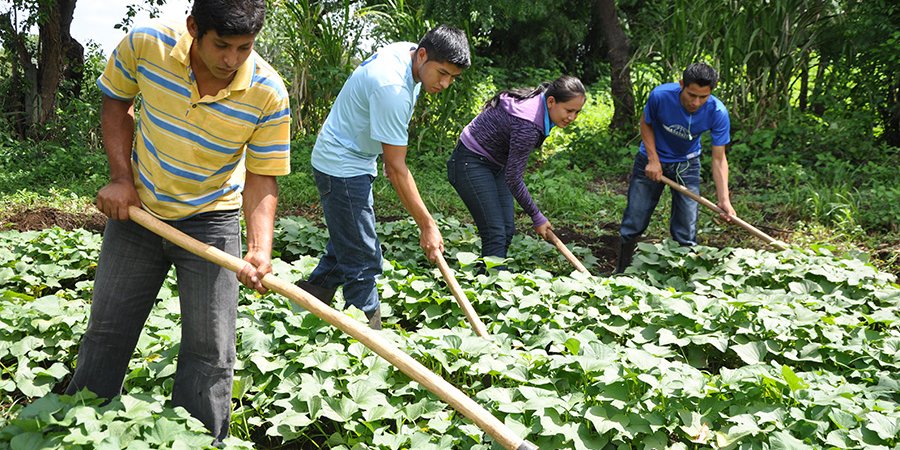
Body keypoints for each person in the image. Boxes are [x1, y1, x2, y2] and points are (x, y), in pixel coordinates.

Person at [65, 0, 290, 442]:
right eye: (221, 45)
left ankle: (200, 438)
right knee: (108, 329)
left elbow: (262, 175)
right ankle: (78, 425)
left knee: (211, 348)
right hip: (139, 215)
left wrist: (260, 249)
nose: (231, 60)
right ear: (193, 28)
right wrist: (120, 179)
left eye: (244, 48)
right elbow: (116, 100)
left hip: (213, 219)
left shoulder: (267, 91)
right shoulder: (147, 44)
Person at [296, 25, 471, 330]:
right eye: (441, 73)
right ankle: (367, 341)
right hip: (342, 165)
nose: (444, 83)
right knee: (363, 258)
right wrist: (427, 225)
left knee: (347, 242)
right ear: (422, 55)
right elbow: (396, 169)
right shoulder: (392, 87)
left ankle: (307, 300)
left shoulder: (409, 55)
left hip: (355, 157)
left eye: (453, 78)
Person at [447, 76, 586, 269]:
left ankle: (486, 280)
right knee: (495, 231)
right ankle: (493, 290)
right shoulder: (528, 124)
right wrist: (537, 216)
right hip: (470, 162)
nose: (572, 117)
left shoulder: (542, 103)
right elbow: (514, 178)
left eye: (577, 112)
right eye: (569, 110)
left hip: (496, 163)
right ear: (552, 101)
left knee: (506, 229)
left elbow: (511, 172)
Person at [615, 62, 735, 273]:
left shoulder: (717, 112)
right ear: (682, 85)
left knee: (686, 229)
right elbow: (646, 123)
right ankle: (621, 271)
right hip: (650, 160)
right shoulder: (660, 96)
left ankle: (682, 278)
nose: (696, 102)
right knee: (635, 219)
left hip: (687, 164)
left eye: (703, 97)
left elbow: (719, 159)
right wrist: (653, 159)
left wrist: (724, 199)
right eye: (692, 95)